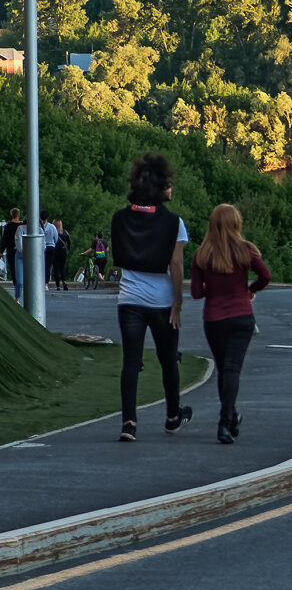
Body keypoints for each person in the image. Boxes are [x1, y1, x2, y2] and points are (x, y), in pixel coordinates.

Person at [110, 154, 191, 442]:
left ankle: (129, 423)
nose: (172, 188)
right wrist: (178, 301)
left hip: (129, 300)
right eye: (169, 184)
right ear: (159, 187)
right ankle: (172, 416)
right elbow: (177, 264)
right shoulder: (173, 223)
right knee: (168, 359)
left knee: (130, 362)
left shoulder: (119, 218)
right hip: (161, 301)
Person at [190, 204, 271, 444]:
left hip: (214, 319)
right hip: (241, 317)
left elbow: (195, 292)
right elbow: (265, 276)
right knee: (232, 369)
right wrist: (249, 290)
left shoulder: (202, 254)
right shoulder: (246, 251)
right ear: (236, 224)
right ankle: (227, 420)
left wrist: (213, 288)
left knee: (223, 369)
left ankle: (228, 418)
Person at [2, 209, 20, 298]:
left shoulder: (8, 226)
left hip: (10, 250)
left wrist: (1, 251)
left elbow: (4, 239)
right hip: (20, 249)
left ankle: (16, 284)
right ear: (18, 215)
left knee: (13, 268)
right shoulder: (21, 226)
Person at [40, 211, 58, 291]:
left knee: (41, 266)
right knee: (48, 266)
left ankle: (40, 282)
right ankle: (46, 283)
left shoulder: (38, 227)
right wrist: (54, 243)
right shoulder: (52, 227)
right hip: (51, 247)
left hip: (41, 248)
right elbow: (56, 237)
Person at [52, 218, 71, 290]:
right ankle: (64, 282)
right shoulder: (65, 232)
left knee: (56, 268)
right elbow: (69, 241)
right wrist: (68, 249)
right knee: (62, 268)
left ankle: (58, 286)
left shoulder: (54, 232)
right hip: (63, 251)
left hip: (55, 250)